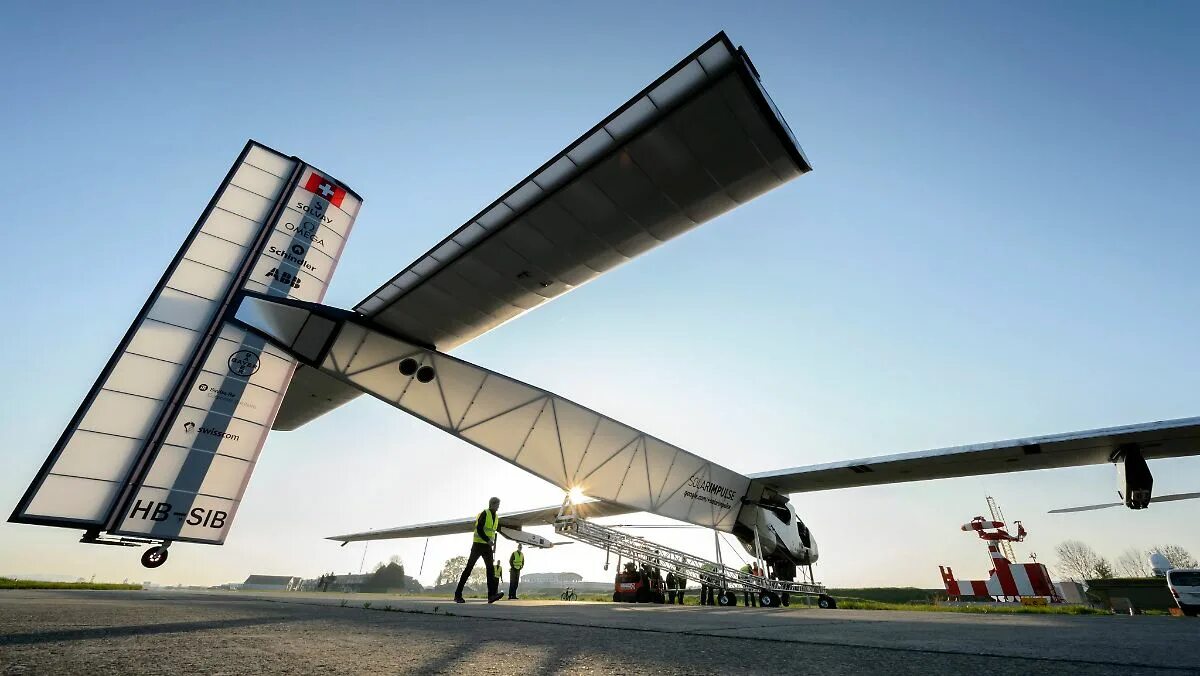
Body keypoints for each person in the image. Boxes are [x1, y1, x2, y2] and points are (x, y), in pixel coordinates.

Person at [454, 496, 504, 604]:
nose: (498, 507)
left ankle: (491, 595)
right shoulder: (484, 513)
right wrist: (487, 540)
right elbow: (479, 529)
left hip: (487, 547)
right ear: (492, 504)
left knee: (490, 570)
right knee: (469, 569)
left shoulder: (496, 516)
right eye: (497, 505)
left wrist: (492, 543)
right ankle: (457, 595)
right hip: (478, 545)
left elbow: (493, 531)